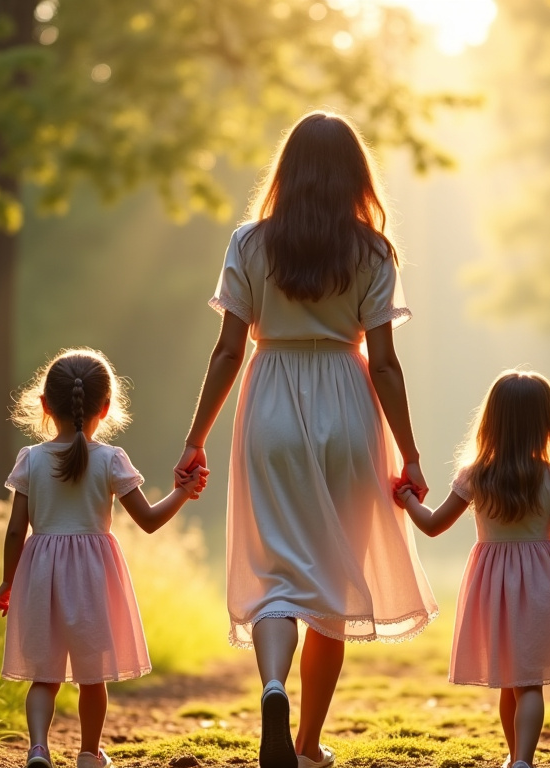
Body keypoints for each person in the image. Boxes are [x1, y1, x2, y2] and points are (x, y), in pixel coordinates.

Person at [176, 112, 439, 768]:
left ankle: (272, 687)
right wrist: (409, 451)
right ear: (356, 175)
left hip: (269, 403)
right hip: (347, 405)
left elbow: (227, 352)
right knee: (331, 574)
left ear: (286, 170)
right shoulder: (373, 250)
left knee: (276, 574)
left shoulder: (249, 242)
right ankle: (310, 739)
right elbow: (383, 363)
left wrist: (195, 438)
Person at [395, 370, 550, 768]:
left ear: (491, 421)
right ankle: (522, 759)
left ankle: (517, 757)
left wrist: (408, 501)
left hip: (492, 584)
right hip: (540, 583)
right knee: (529, 682)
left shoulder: (476, 475)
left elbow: (432, 525)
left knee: (508, 677)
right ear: (547, 424)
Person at [0, 348, 208, 768]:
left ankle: (38, 748)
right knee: (92, 678)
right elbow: (147, 520)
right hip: (93, 577)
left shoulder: (31, 459)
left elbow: (16, 529)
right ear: (106, 407)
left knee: (45, 676)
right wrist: (183, 492)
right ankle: (89, 754)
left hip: (40, 575)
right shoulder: (111, 459)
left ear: (43, 405)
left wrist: (8, 580)